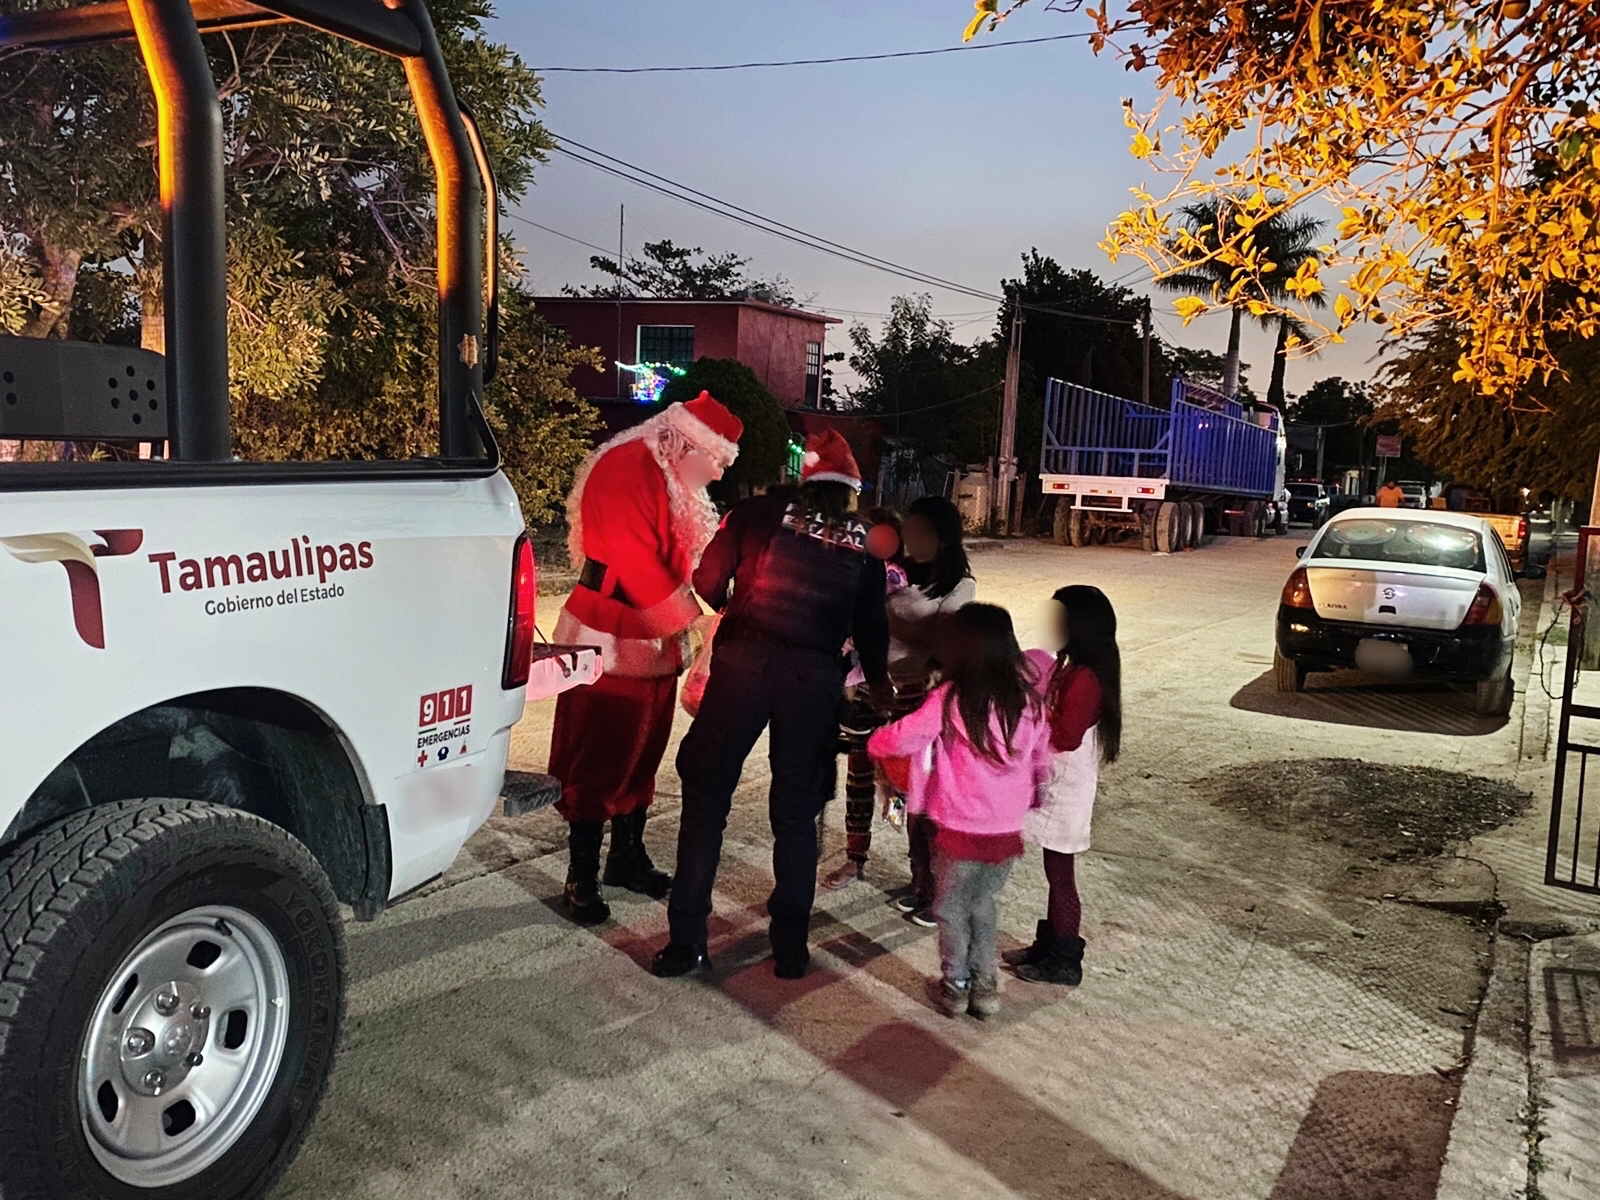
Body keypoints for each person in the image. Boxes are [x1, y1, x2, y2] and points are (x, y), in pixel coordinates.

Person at [655, 430, 891, 980]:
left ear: (803, 479)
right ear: (851, 492)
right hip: (812, 681)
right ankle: (790, 947)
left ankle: (687, 941)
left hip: (743, 669)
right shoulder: (866, 542)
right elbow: (872, 627)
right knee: (796, 814)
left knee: (707, 799)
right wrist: (877, 684)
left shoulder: (756, 514)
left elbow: (708, 586)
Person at [548, 392, 743, 925]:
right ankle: (580, 875)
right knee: (599, 750)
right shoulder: (626, 466)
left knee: (643, 747)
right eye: (718, 461)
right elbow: (636, 560)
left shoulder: (664, 472)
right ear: (687, 444)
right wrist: (691, 620)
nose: (719, 475)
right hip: (609, 631)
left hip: (648, 633)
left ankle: (625, 857)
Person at [867, 604, 1051, 1019]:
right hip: (1005, 830)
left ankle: (955, 984)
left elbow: (907, 736)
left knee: (950, 908)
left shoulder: (950, 699)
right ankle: (986, 988)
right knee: (983, 905)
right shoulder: (1028, 702)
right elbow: (1042, 759)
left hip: (958, 827)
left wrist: (875, 742)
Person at [1005, 585, 1122, 986]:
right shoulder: (1071, 667)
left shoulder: (1088, 678)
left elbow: (1067, 734)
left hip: (1067, 789)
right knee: (1054, 869)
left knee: (1061, 873)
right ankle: (1051, 942)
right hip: (1059, 782)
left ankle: (1065, 956)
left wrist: (1034, 719)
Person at [887, 495, 977, 923]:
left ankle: (938, 892)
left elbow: (944, 642)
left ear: (943, 539)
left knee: (927, 798)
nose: (910, 539)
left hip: (923, 698)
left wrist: (884, 620)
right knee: (904, 795)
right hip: (882, 693)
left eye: (920, 533)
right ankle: (918, 877)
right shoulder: (899, 574)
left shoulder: (962, 587)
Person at [821, 509, 909, 890]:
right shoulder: (850, 570)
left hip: (874, 690)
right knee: (860, 776)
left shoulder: (890, 576)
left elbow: (874, 630)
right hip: (853, 690)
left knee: (885, 776)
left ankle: (920, 869)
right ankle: (856, 857)